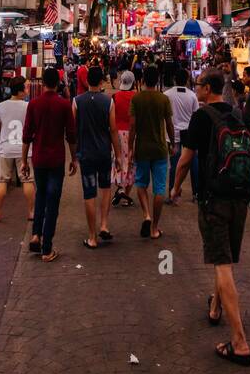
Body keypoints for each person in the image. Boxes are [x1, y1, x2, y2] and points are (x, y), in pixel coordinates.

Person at [172, 69, 250, 367]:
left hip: (213, 198)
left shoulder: (202, 118)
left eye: (198, 85)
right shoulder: (238, 114)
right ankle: (215, 307)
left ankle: (239, 342)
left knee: (222, 264)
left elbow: (186, 159)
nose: (195, 89)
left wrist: (175, 188)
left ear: (207, 89)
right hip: (241, 197)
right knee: (223, 257)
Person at [22, 67, 77, 263]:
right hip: (56, 159)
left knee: (41, 195)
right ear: (58, 83)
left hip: (38, 158)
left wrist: (23, 161)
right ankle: (47, 248)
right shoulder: (63, 105)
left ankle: (36, 234)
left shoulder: (34, 104)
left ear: (43, 82)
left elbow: (27, 135)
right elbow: (71, 135)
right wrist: (74, 158)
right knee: (52, 201)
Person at [73, 64, 122, 249]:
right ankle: (104, 225)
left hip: (85, 153)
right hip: (103, 153)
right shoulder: (108, 101)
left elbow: (73, 130)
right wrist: (118, 155)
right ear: (102, 81)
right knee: (106, 188)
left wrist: (73, 155)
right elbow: (113, 130)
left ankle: (92, 237)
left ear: (87, 81)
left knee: (89, 194)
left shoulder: (77, 101)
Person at [129, 64, 174, 239]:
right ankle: (154, 228)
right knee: (159, 189)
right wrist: (173, 143)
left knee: (141, 185)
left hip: (142, 148)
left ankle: (146, 214)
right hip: (160, 149)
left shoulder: (137, 99)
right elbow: (169, 124)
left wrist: (131, 148)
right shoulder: (163, 99)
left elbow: (132, 127)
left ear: (142, 80)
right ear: (158, 80)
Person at [0, 78, 34, 224]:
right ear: (19, 90)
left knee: (2, 181)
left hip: (6, 149)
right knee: (28, 180)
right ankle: (31, 212)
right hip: (24, 150)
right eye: (25, 87)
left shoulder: (1, 106)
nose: (27, 90)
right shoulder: (28, 106)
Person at [165, 66, 199, 201]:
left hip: (174, 134)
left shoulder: (167, 95)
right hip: (189, 133)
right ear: (186, 80)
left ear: (174, 79)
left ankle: (172, 193)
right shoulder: (192, 96)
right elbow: (196, 115)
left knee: (174, 164)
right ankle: (196, 193)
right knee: (193, 163)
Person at [111, 71, 136, 206]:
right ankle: (126, 193)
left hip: (117, 133)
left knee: (118, 160)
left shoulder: (115, 97)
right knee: (130, 162)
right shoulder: (136, 97)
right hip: (131, 134)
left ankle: (120, 187)